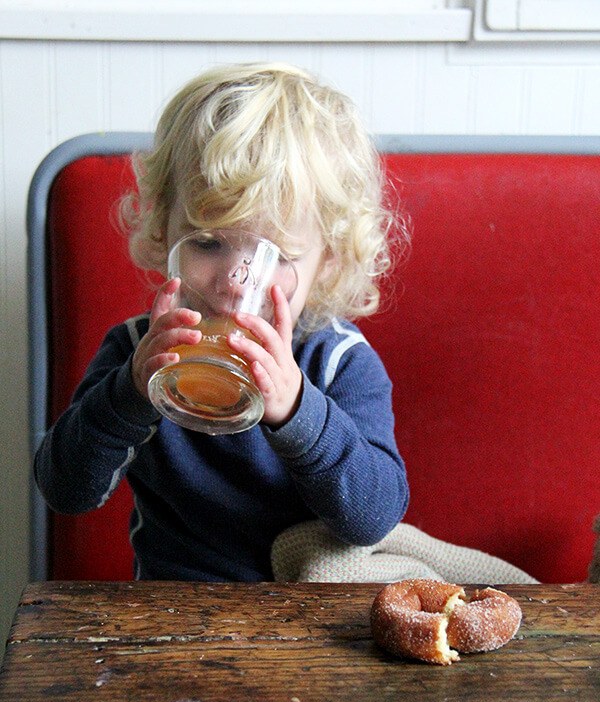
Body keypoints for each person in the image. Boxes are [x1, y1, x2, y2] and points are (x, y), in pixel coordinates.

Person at [34, 62, 410, 581]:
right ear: (164, 231)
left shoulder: (337, 361)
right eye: (208, 243)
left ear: (327, 259)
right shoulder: (138, 350)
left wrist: (297, 408)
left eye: (274, 256)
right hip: (174, 613)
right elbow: (65, 491)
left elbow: (375, 517)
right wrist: (129, 393)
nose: (238, 282)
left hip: (308, 618)